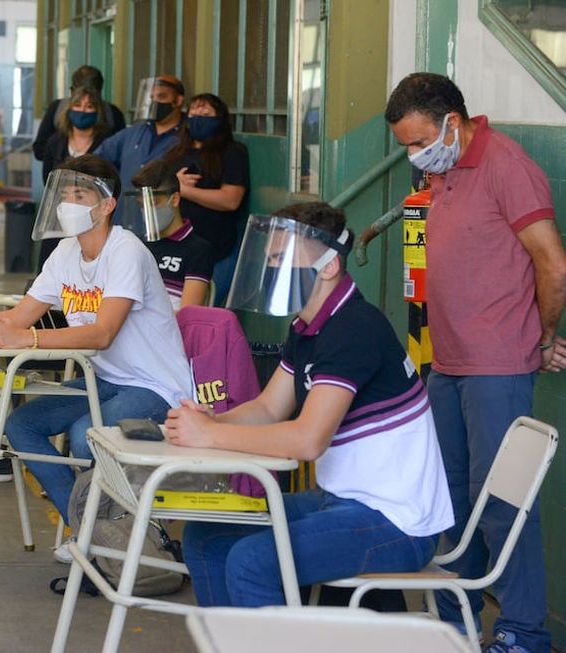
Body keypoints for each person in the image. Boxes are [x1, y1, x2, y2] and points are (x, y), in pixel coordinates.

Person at [166, 202, 454, 608]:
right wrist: (210, 419)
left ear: (329, 265)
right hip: (339, 500)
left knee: (253, 561)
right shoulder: (308, 326)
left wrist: (210, 435)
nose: (271, 270)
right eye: (270, 259)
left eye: (282, 259)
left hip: (394, 522)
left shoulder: (353, 328)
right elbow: (267, 408)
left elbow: (307, 440)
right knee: (207, 533)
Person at [0, 155, 191, 543]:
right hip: (106, 379)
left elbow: (101, 333)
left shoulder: (126, 251)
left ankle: (122, 536)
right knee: (22, 425)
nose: (69, 204)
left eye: (81, 194)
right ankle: (91, 532)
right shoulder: (65, 254)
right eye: (66, 194)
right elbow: (16, 319)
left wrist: (32, 339)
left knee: (83, 434)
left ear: (107, 204)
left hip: (155, 387)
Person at [385, 72, 566, 653]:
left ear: (452, 123)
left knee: (505, 507)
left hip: (496, 366)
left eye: (417, 142)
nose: (414, 155)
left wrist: (542, 338)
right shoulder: (442, 171)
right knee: (448, 504)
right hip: (447, 363)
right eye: (406, 147)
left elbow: (553, 265)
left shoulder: (508, 166)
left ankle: (523, 633)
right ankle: (453, 626)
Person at [163, 93, 249, 308]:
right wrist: (173, 186)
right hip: (174, 251)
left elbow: (231, 200)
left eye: (206, 113)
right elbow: (156, 193)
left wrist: (182, 190)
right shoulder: (174, 154)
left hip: (216, 250)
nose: (199, 116)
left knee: (198, 313)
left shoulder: (232, 152)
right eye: (194, 111)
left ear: (220, 119)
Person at [35, 86, 115, 269]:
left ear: (98, 111)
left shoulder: (108, 142)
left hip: (93, 217)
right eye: (77, 105)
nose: (83, 110)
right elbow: (48, 179)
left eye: (89, 106)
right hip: (60, 216)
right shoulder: (55, 141)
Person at [126, 159, 214, 309]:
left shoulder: (199, 250)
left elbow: (187, 315)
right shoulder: (136, 245)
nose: (147, 212)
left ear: (175, 199)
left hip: (168, 330)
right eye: (142, 205)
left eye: (153, 203)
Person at [95, 75, 185, 197]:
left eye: (162, 96)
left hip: (162, 210)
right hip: (127, 210)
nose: (155, 102)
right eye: (151, 97)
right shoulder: (133, 132)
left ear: (178, 100)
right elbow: (98, 158)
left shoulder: (188, 136)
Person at [31, 65, 126, 162]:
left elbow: (121, 153)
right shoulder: (56, 111)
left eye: (89, 105)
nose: (83, 109)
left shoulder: (112, 115)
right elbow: (39, 150)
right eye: (78, 103)